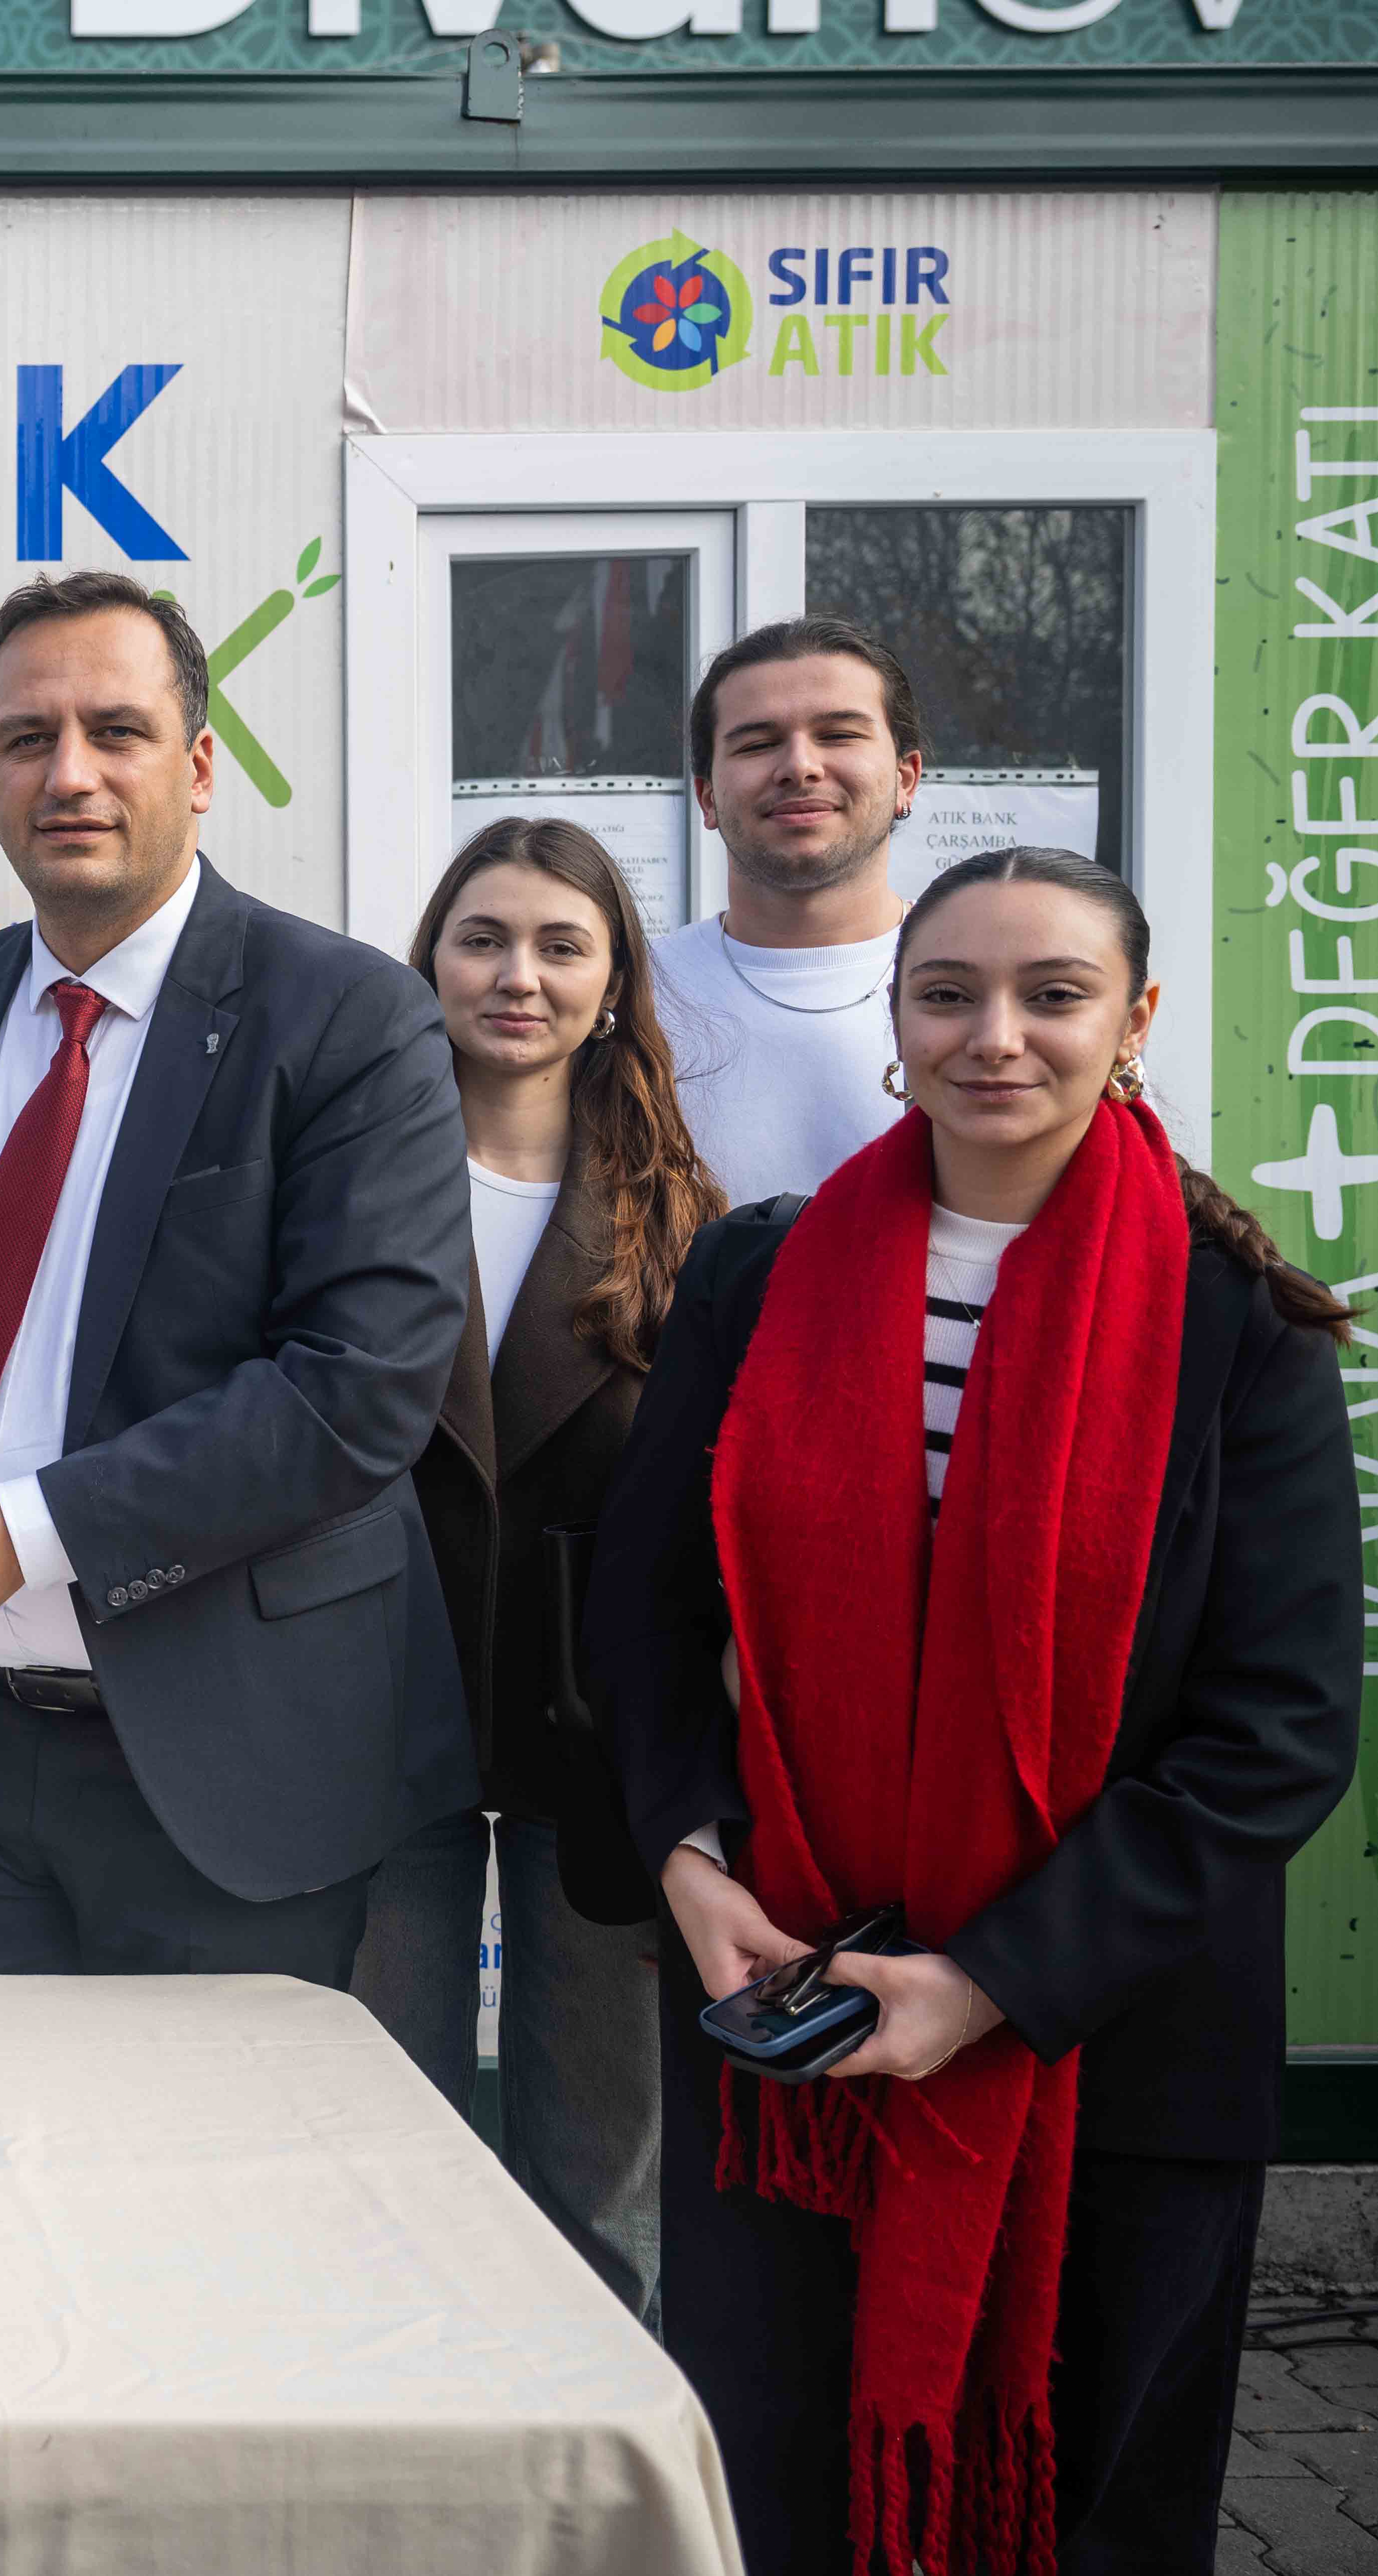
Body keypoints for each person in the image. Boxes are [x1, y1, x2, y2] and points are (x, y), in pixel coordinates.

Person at [592, 847, 1357, 2576]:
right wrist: (688, 1858)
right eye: (945, 994)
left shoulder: (1235, 1320)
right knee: (780, 2497)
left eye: (1050, 995)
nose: (991, 1035)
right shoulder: (753, 1278)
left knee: (1085, 2519)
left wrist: (986, 1982)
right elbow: (644, 1614)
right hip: (791, 2018)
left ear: (1133, 1020)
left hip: (1110, 2042)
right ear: (896, 1015)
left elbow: (1279, 1726)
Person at [0, 567, 475, 1983]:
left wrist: (33, 1530)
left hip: (230, 1760)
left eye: (115, 731)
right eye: (24, 739)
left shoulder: (348, 1015)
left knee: (207, 2141)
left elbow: (355, 1390)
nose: (68, 774)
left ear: (200, 765)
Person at [349, 817, 723, 2325]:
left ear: (612, 978)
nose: (518, 975)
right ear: (429, 963)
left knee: (600, 2164)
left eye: (561, 945)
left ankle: (594, 2433)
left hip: (597, 1736)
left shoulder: (682, 1215)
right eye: (482, 939)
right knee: (379, 2128)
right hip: (379, 1712)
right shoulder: (341, 1187)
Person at [652, 616, 929, 1204]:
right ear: (707, 797)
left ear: (906, 779)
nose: (800, 766)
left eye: (839, 735)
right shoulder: (633, 995)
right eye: (757, 744)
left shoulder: (993, 992)